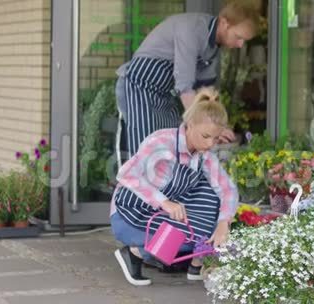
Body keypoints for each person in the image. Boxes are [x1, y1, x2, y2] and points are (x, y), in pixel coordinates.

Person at [110, 87, 239, 286]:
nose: (210, 144)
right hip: (130, 210)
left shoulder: (204, 156)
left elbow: (227, 189)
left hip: (162, 212)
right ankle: (134, 253)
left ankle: (197, 261)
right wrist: (165, 203)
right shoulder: (161, 141)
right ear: (189, 125)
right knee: (178, 238)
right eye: (205, 136)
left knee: (213, 193)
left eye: (215, 138)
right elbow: (126, 173)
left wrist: (223, 224)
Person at [115, 0, 260, 163]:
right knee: (144, 153)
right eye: (238, 37)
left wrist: (219, 126)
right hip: (138, 88)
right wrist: (206, 125)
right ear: (225, 23)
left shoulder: (213, 48)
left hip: (163, 96)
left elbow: (204, 93)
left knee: (169, 150)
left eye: (244, 41)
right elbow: (185, 87)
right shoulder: (192, 29)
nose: (240, 45)